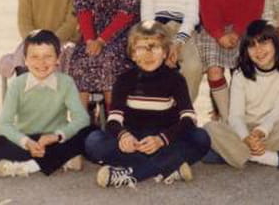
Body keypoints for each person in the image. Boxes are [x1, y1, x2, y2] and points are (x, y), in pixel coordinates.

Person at [85, 21, 211, 188]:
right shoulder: (124, 80)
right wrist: (123, 136)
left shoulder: (176, 79)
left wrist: (161, 140)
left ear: (165, 52)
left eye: (155, 47)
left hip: (164, 139)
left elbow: (188, 118)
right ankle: (169, 166)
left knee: (201, 138)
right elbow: (113, 120)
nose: (148, 54)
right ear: (132, 54)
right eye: (141, 48)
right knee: (93, 141)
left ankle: (132, 172)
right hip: (134, 140)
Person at [0, 30, 91, 177]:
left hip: (56, 138)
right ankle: (62, 160)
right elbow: (4, 124)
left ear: (58, 58)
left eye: (48, 56)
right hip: (27, 139)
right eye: (34, 57)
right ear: (25, 60)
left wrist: (56, 136)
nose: (41, 63)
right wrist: (27, 142)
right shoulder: (17, 85)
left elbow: (82, 118)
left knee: (89, 132)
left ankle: (29, 166)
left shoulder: (66, 82)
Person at [204, 20, 279, 169]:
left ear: (275, 44)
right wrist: (246, 138)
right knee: (210, 127)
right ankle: (267, 157)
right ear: (246, 51)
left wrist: (261, 131)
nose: (258, 50)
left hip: (269, 129)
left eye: (264, 43)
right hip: (242, 129)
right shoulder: (240, 74)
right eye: (252, 46)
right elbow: (236, 116)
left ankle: (237, 154)